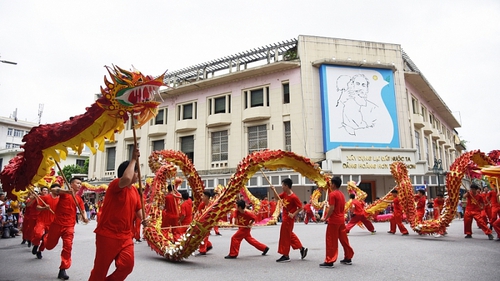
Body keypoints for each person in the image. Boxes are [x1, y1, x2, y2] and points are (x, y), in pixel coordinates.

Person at [89, 148, 145, 281]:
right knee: (100, 270)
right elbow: (126, 178)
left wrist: (144, 219)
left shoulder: (135, 192)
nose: (138, 175)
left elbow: (138, 209)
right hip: (108, 235)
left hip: (126, 236)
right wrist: (133, 159)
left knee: (127, 265)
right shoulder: (115, 184)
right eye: (136, 171)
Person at [44, 177, 88, 280]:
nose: (79, 185)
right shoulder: (64, 194)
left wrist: (85, 218)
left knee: (68, 247)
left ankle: (63, 269)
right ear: (71, 184)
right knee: (49, 246)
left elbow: (83, 210)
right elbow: (53, 190)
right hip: (57, 224)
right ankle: (45, 238)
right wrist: (66, 191)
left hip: (69, 226)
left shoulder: (78, 199)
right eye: (77, 183)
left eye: (80, 183)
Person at [269, 178, 308, 262]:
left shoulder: (293, 197)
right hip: (285, 218)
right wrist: (274, 190)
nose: (282, 187)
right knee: (289, 235)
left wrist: (293, 214)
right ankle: (301, 249)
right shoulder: (285, 194)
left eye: (283, 185)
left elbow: (301, 207)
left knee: (285, 236)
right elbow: (277, 198)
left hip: (288, 219)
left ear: (287, 186)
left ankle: (286, 255)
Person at [320, 176, 354, 268]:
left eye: (331, 183)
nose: (330, 185)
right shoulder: (341, 194)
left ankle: (330, 260)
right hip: (341, 220)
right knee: (344, 239)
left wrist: (325, 218)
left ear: (334, 184)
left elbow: (332, 208)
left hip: (334, 220)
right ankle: (348, 257)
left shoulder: (332, 194)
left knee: (331, 240)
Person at [32, 185, 60, 259]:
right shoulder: (44, 197)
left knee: (46, 240)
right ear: (52, 190)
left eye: (59, 189)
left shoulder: (60, 200)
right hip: (42, 220)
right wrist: (44, 208)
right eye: (56, 189)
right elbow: (38, 207)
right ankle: (36, 244)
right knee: (38, 234)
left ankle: (40, 251)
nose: (58, 191)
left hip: (52, 222)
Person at [197, 191, 213, 255]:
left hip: (209, 222)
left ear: (206, 197)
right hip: (201, 222)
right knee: (200, 235)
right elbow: (197, 213)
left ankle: (202, 250)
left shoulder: (212, 204)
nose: (202, 197)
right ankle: (208, 245)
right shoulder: (202, 204)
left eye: (203, 196)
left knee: (204, 235)